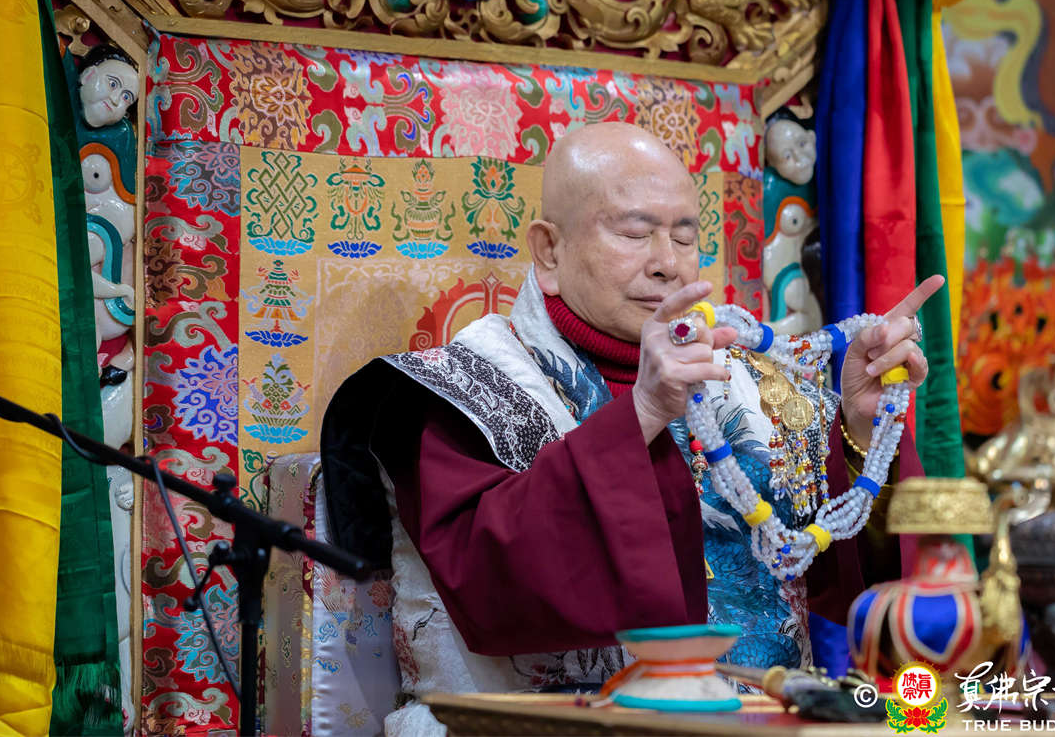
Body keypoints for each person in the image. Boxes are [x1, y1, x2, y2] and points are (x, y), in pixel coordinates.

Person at [321, 122, 938, 734]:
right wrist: (642, 412)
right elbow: (490, 587)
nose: (668, 264)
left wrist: (861, 428)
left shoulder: (755, 385)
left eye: (685, 236)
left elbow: (859, 583)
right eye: (636, 233)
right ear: (549, 252)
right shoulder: (460, 391)